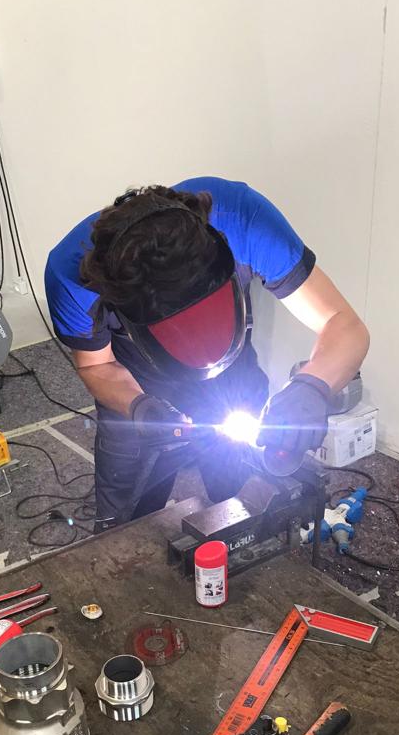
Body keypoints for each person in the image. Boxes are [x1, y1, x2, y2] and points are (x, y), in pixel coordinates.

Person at [44, 177, 369, 530]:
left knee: (250, 506)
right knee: (124, 529)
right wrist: (138, 407)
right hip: (136, 383)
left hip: (231, 376)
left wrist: (312, 386)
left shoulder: (244, 221)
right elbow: (97, 365)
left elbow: (343, 323)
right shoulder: (74, 276)